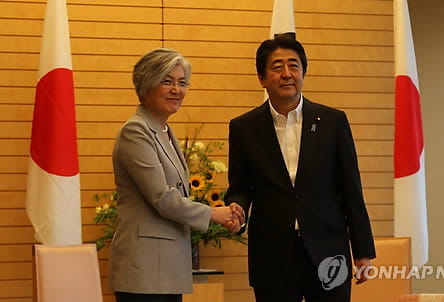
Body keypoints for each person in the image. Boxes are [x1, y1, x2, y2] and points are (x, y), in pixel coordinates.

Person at [224, 35, 376, 302]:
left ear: (303, 72)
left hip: (329, 250)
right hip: (272, 254)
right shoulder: (244, 127)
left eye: (293, 65)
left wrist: (362, 251)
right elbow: (240, 187)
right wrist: (236, 211)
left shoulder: (332, 121)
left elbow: (351, 189)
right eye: (277, 66)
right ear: (261, 78)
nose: (287, 74)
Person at [108, 48, 244, 302]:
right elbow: (163, 198)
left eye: (182, 83)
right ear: (146, 84)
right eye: (167, 81)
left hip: (165, 270)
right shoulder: (136, 132)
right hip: (144, 272)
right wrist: (215, 213)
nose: (177, 90)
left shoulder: (164, 131)